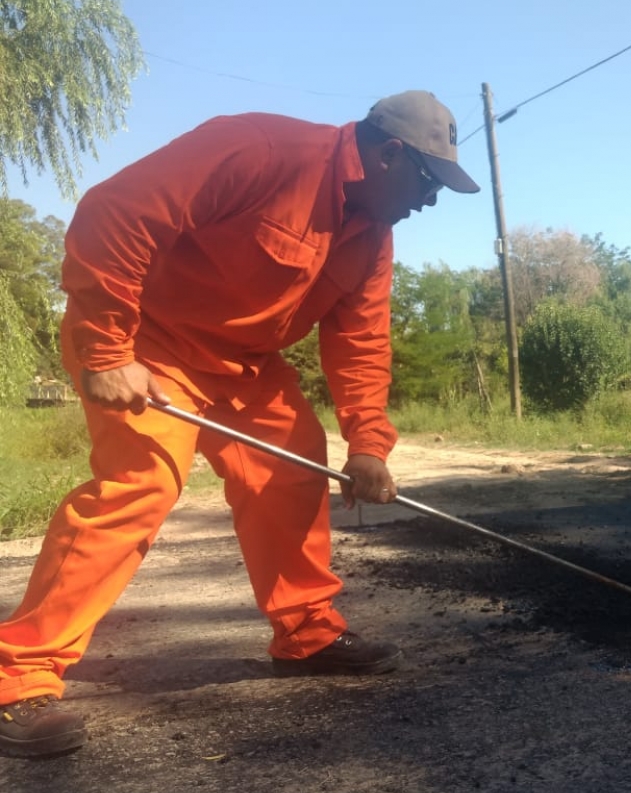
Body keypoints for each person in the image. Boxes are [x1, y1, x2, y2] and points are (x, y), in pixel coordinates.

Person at [0, 91, 480, 758]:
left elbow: (361, 340)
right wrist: (108, 351)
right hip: (148, 342)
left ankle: (306, 632)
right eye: (429, 181)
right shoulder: (263, 150)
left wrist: (368, 442)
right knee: (145, 483)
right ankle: (19, 673)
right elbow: (117, 212)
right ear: (390, 153)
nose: (429, 201)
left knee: (294, 464)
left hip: (244, 364)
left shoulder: (373, 232)